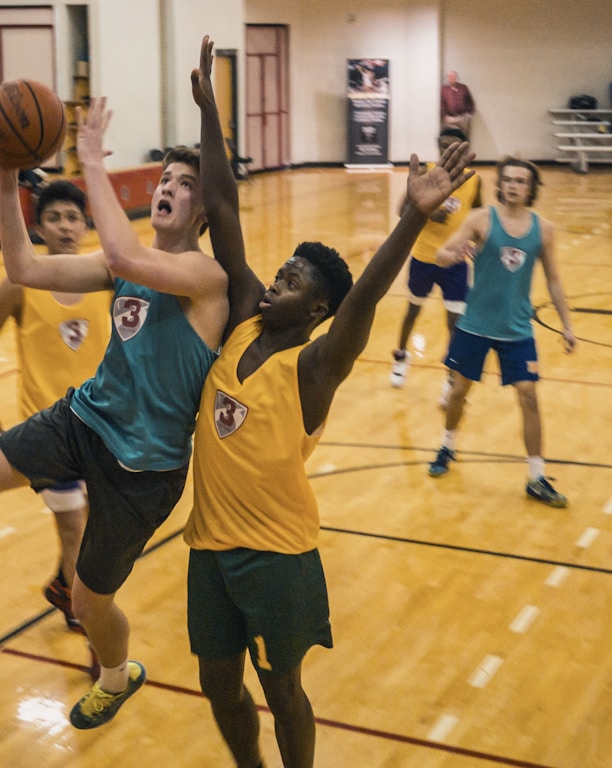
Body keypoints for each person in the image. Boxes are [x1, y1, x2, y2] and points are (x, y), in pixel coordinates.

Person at [186, 36, 474, 768]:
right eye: (282, 269)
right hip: (208, 547)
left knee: (283, 691)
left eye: (296, 280)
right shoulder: (245, 315)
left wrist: (411, 216)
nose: (279, 278)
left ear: (318, 311)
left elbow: (368, 296)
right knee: (218, 683)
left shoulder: (316, 366)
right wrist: (211, 111)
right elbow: (221, 205)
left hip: (279, 554)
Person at [0, 96, 229, 729]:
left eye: (185, 186)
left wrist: (91, 161)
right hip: (84, 420)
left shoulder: (203, 277)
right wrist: (5, 171)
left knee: (88, 600)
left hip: (145, 471)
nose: (168, 190)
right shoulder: (117, 266)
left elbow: (130, 258)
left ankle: (115, 675)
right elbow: (21, 265)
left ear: (204, 210)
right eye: (164, 179)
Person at [428, 156, 576, 507]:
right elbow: (441, 253)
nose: (513, 185)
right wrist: (452, 255)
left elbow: (554, 278)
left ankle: (537, 477)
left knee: (529, 395)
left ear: (531, 188)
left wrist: (567, 324)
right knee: (459, 391)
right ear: (501, 184)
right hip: (474, 326)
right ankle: (447, 445)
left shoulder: (544, 229)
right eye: (508, 179)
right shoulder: (481, 219)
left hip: (517, 329)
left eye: (521, 181)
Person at [0, 181, 112, 638]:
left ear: (85, 225)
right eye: (54, 218)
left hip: (102, 428)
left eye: (72, 217)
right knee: (75, 532)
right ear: (38, 227)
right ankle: (90, 628)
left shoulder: (108, 279)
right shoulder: (19, 283)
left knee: (91, 530)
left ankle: (64, 585)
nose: (65, 227)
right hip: (46, 433)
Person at [390, 127, 482, 406]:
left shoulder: (473, 181)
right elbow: (401, 210)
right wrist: (427, 213)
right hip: (423, 258)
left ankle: (451, 379)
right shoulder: (425, 174)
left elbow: (479, 213)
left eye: (453, 147)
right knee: (412, 312)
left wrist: (478, 243)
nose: (447, 152)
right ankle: (401, 355)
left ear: (463, 150)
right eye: (443, 146)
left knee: (454, 322)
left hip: (455, 262)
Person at [440, 70, 475, 138]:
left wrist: (468, 114)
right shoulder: (444, 89)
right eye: (449, 77)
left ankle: (464, 148)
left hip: (462, 117)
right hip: (450, 118)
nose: (451, 78)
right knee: (451, 138)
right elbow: (442, 103)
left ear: (456, 78)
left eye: (453, 77)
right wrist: (445, 115)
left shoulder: (463, 88)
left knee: (463, 138)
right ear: (447, 78)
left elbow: (470, 101)